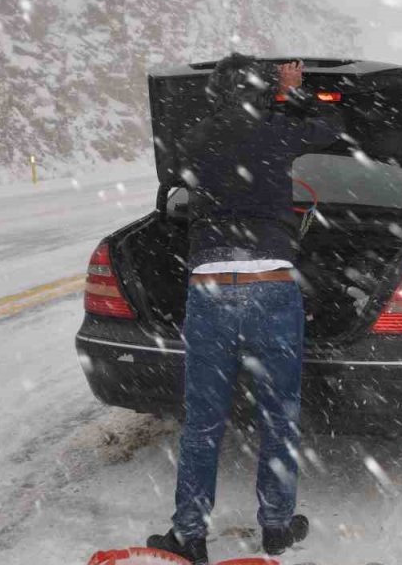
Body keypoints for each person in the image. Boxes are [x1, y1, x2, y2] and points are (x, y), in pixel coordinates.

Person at [146, 54, 340, 564]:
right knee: (279, 415)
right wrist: (292, 94)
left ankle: (189, 534)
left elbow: (173, 179)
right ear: (261, 91)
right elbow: (331, 129)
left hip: (209, 287)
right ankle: (276, 527)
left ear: (216, 93)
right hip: (272, 284)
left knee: (203, 422)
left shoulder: (193, 139)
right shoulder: (279, 130)